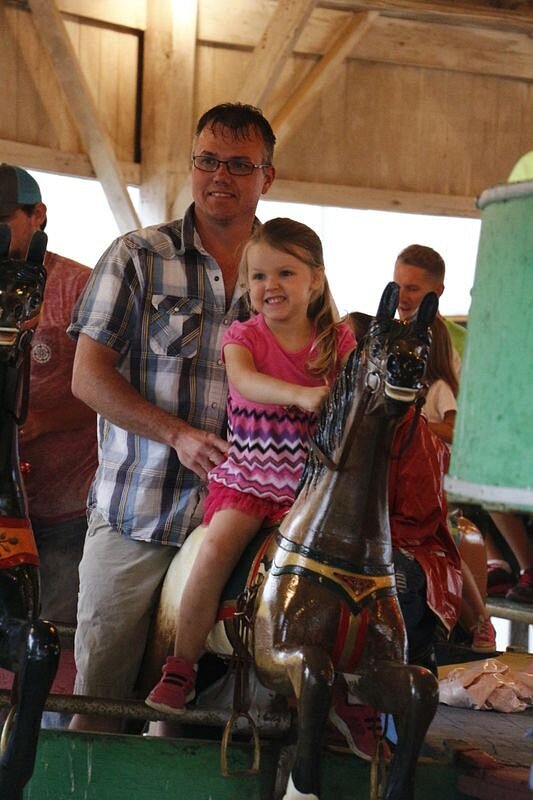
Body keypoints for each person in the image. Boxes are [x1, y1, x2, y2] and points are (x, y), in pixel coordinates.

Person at [67, 103, 277, 732]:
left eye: (241, 165)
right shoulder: (137, 255)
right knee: (101, 707)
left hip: (243, 527)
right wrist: (176, 434)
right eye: (208, 159)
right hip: (141, 515)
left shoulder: (288, 275)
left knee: (230, 718)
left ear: (269, 176)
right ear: (191, 165)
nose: (221, 175)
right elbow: (87, 376)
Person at [145, 218, 355, 714]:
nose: (270, 286)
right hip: (252, 480)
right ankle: (181, 666)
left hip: (311, 490)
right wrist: (301, 394)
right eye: (258, 276)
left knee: (350, 571)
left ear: (316, 280)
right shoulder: (244, 336)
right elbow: (244, 384)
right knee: (215, 549)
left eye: (285, 273)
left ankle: (351, 690)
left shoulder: (336, 342)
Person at [393, 243, 533, 608]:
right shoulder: (389, 336)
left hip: (462, 444)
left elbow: (468, 410)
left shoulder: (452, 342)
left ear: (437, 292)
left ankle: (487, 574)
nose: (403, 296)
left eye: (413, 288)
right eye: (398, 286)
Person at [0, 163, 97, 625]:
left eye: (1, 223)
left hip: (65, 509)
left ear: (37, 215)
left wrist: (41, 420)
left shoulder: (79, 287)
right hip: (6, 504)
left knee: (54, 634)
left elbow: (112, 387)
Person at [421, 314, 496, 651]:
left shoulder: (438, 389)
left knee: (447, 550)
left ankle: (481, 620)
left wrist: (419, 423)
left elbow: (454, 428)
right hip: (417, 487)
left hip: (437, 487)